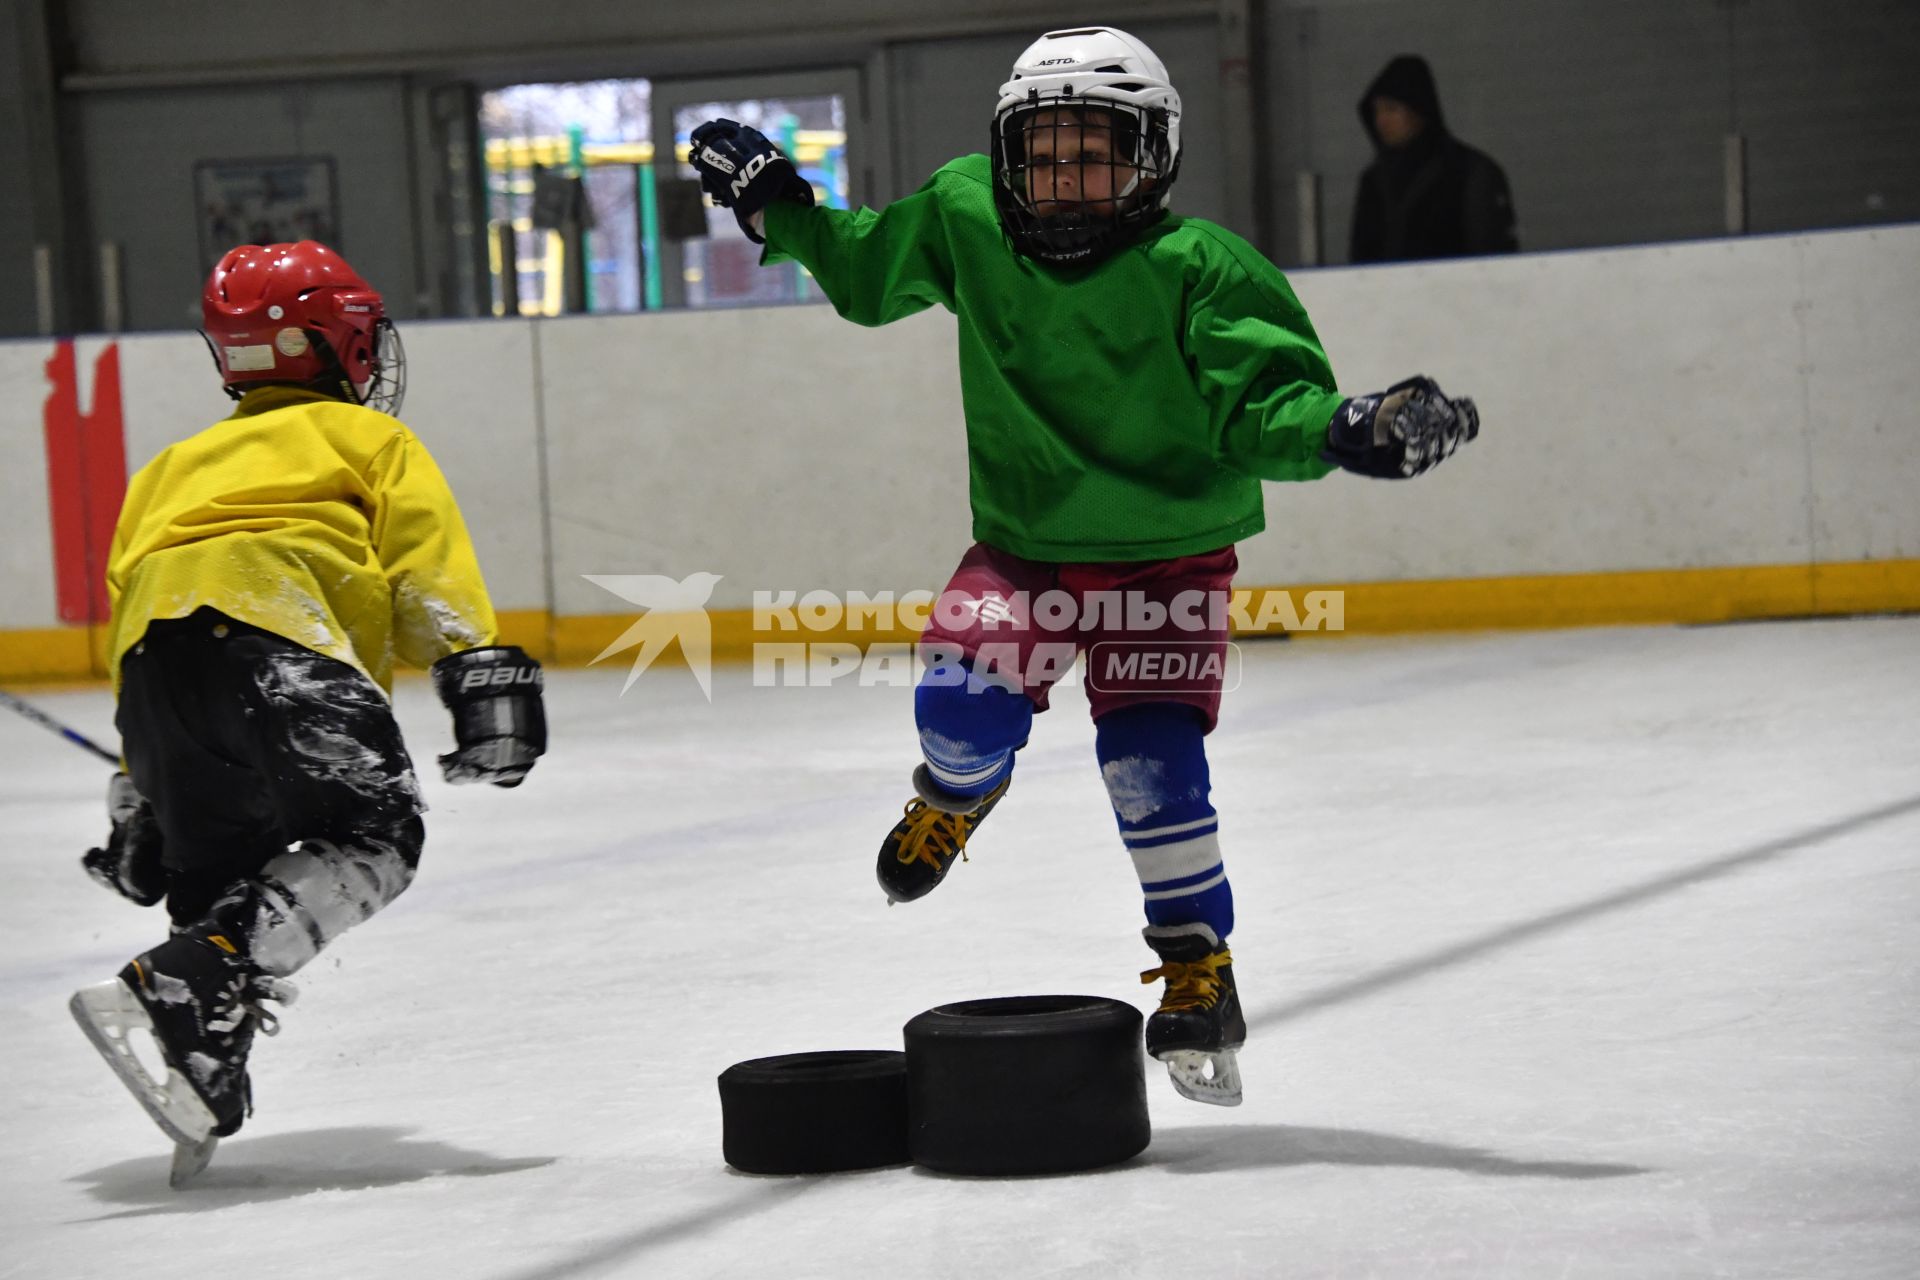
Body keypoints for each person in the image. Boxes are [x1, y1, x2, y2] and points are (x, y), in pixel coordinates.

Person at [690, 26, 1477, 1105]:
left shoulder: (1202, 269)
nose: (1065, 180)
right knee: (957, 711)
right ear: (1009, 156)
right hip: (1024, 553)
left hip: (1170, 564)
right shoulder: (969, 214)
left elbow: (1265, 408)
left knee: (1151, 766)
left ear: (1152, 156)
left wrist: (1346, 427)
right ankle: (959, 793)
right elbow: (869, 270)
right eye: (1045, 154)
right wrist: (776, 202)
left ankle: (1200, 967)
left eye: (1093, 153)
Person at [70, 241, 547, 1172]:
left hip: (157, 682)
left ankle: (201, 1040)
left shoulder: (170, 467)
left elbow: (132, 611)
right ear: (341, 344)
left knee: (214, 890)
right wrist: (479, 678)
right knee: (375, 836)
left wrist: (140, 796)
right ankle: (191, 984)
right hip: (283, 651)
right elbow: (426, 576)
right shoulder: (371, 440)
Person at [1349, 54, 1517, 263]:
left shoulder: (1469, 173)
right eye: (1377, 111)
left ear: (1419, 110)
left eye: (1392, 109)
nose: (1381, 120)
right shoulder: (1374, 181)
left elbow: (1492, 258)